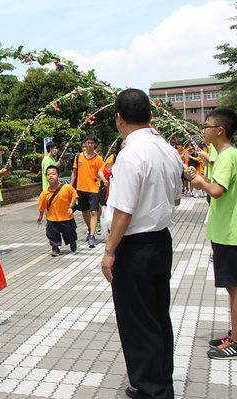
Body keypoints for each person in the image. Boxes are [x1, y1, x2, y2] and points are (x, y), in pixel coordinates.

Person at [101, 88, 182, 399]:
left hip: (135, 248)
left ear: (119, 118)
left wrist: (109, 251)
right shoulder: (167, 150)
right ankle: (162, 384)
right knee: (159, 316)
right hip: (161, 241)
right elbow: (175, 197)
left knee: (138, 323)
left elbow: (123, 211)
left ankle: (150, 390)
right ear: (150, 115)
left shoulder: (130, 154)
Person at [185, 108, 237, 359]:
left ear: (220, 130)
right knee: (232, 287)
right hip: (225, 231)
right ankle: (234, 333)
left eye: (206, 126)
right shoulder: (226, 154)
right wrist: (199, 177)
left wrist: (201, 182)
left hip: (230, 233)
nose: (202, 130)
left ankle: (236, 341)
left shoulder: (227, 155)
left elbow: (216, 191)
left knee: (234, 287)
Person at [70, 134, 103, 248]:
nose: (89, 145)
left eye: (92, 143)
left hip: (93, 188)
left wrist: (99, 182)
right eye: (88, 142)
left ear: (95, 145)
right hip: (81, 188)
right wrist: (70, 187)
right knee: (84, 211)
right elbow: (74, 172)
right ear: (84, 144)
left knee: (93, 212)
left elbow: (101, 172)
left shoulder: (98, 158)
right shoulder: (79, 157)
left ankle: (92, 236)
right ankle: (90, 229)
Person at [37, 165, 78, 256]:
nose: (51, 176)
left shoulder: (67, 187)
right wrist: (40, 216)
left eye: (53, 174)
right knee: (52, 234)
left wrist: (71, 207)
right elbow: (42, 207)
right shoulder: (44, 194)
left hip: (67, 218)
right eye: (48, 174)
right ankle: (55, 248)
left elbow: (74, 196)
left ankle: (72, 241)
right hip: (52, 219)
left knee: (70, 232)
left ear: (58, 176)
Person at [97, 137, 125, 204]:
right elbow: (101, 172)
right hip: (115, 189)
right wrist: (105, 181)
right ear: (119, 145)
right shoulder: (113, 157)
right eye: (124, 144)